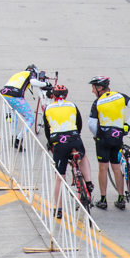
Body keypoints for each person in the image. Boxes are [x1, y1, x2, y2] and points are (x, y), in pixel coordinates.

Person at [87, 76, 130, 211]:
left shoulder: (97, 102)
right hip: (117, 137)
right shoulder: (120, 96)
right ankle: (121, 198)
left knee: (103, 168)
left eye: (93, 88)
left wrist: (96, 136)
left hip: (103, 139)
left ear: (100, 88)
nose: (92, 91)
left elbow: (91, 124)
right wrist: (128, 125)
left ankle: (103, 200)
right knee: (116, 167)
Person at [42, 84, 93, 217]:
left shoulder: (48, 108)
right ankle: (88, 182)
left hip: (59, 142)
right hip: (74, 138)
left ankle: (58, 209)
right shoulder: (72, 105)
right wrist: (76, 136)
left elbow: (47, 130)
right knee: (83, 156)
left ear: (52, 96)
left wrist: (50, 143)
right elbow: (79, 123)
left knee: (59, 178)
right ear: (66, 96)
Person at [0, 65, 49, 147]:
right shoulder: (31, 73)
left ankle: (13, 137)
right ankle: (18, 139)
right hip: (16, 96)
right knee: (30, 118)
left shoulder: (18, 74)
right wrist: (45, 83)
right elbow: (33, 82)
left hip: (4, 95)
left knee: (15, 113)